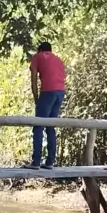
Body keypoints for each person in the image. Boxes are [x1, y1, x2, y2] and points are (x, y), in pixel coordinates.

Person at [25, 41, 66, 169]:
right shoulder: (58, 60)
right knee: (50, 126)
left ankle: (36, 161)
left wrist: (36, 99)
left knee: (38, 126)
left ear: (40, 50)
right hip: (60, 92)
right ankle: (50, 161)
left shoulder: (37, 57)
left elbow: (33, 80)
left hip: (48, 91)